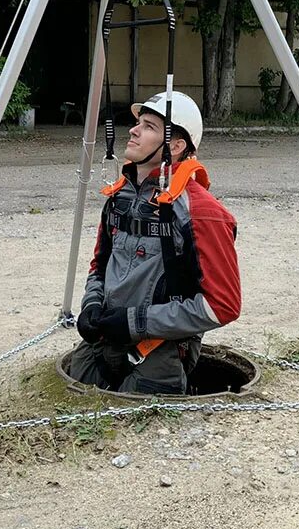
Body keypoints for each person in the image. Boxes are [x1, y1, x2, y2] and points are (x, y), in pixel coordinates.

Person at [68, 90, 240, 395]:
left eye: (149, 126)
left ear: (175, 146)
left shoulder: (202, 213)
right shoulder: (119, 198)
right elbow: (100, 265)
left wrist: (136, 322)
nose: (133, 130)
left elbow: (222, 306)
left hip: (161, 350)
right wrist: (92, 305)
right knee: (70, 400)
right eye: (139, 123)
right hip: (107, 338)